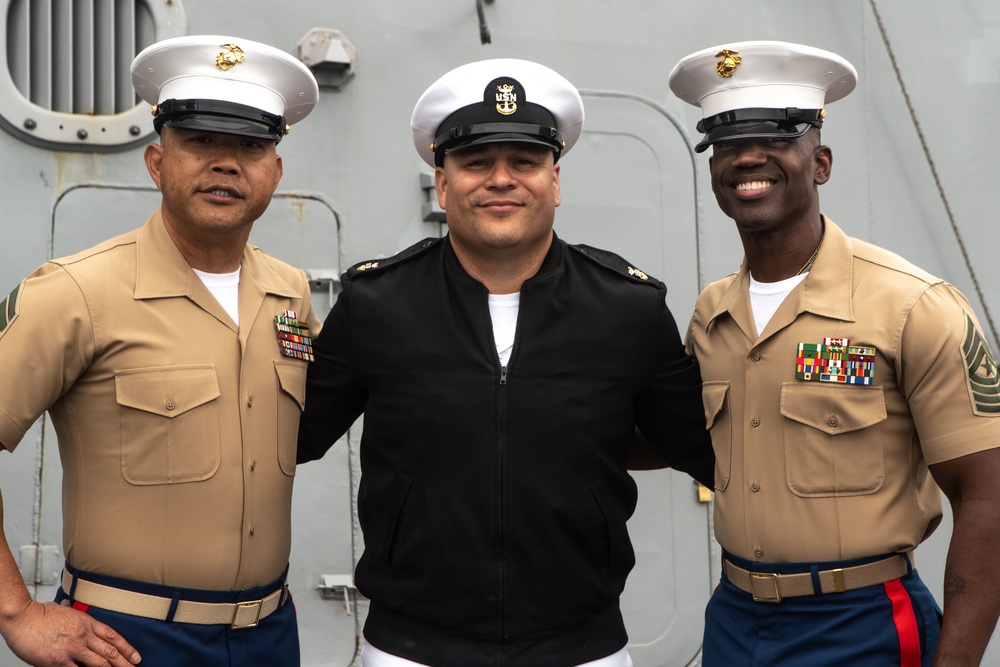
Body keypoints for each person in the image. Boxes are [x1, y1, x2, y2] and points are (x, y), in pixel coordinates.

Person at [297, 58, 713, 667]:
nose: (501, 180)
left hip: (584, 650)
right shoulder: (376, 304)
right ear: (442, 185)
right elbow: (288, 435)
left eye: (524, 161)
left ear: (555, 180)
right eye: (475, 163)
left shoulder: (628, 308)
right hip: (409, 650)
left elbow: (707, 446)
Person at [668, 40, 1000, 666]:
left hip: (863, 625)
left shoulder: (913, 306)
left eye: (773, 140)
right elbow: (666, 437)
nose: (747, 160)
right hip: (736, 621)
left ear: (819, 162)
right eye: (727, 145)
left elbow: (988, 496)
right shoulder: (712, 315)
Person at [0, 35, 320, 666]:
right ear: (156, 161)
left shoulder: (291, 293)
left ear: (275, 173)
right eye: (201, 141)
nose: (227, 164)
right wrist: (15, 611)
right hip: (128, 641)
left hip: (271, 635)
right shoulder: (75, 290)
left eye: (252, 146)